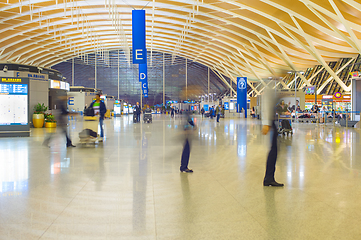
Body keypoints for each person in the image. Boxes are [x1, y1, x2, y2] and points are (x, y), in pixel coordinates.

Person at [262, 88, 284, 187]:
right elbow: (266, 106)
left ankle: (269, 177)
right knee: (273, 151)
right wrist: (266, 124)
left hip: (271, 123)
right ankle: (269, 178)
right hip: (270, 124)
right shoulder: (268, 87)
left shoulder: (270, 88)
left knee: (274, 151)